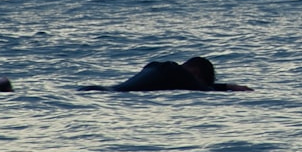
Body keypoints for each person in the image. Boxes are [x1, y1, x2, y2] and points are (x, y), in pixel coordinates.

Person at [77, 57, 253, 92]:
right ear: (196, 73)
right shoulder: (176, 73)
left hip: (99, 90)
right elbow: (203, 89)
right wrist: (228, 87)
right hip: (106, 93)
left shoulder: (158, 65)